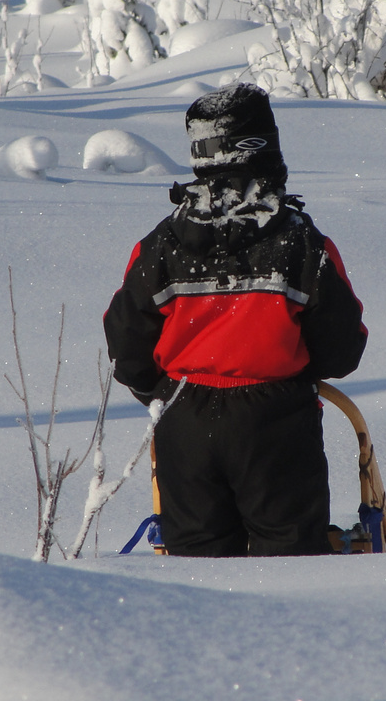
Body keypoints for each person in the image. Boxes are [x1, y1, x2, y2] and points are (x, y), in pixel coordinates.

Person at [104, 83, 367, 556]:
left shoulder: (159, 248)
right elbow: (342, 348)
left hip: (183, 421)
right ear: (264, 151)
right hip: (277, 422)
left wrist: (166, 393)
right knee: (292, 563)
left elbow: (126, 345)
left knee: (197, 570)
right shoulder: (302, 245)